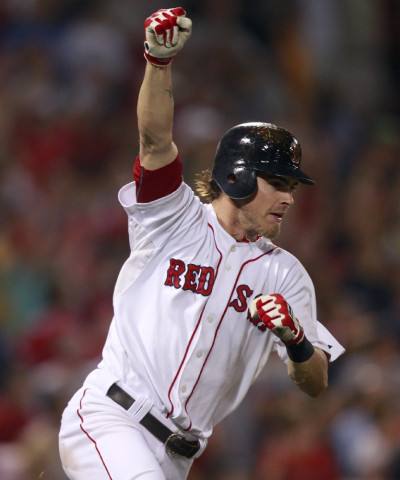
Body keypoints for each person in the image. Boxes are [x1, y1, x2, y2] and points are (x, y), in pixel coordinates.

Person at [58, 7, 344, 480]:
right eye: (278, 183)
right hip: (113, 418)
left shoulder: (285, 274)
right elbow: (155, 143)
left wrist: (294, 339)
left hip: (178, 456)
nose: (289, 199)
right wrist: (157, 63)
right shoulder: (174, 216)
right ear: (238, 176)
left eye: (293, 187)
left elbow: (315, 381)